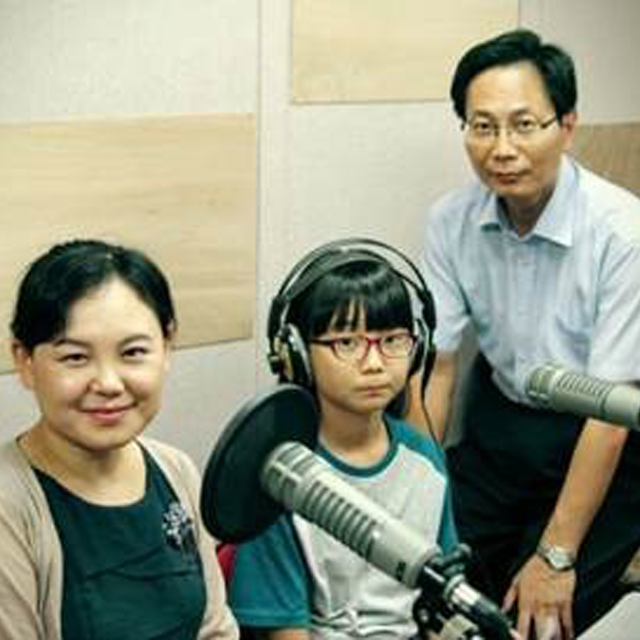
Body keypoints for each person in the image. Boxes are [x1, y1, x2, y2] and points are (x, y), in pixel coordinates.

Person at [417, 28, 640, 639]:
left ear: (566, 127)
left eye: (523, 125)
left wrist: (556, 555)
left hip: (603, 439)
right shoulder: (450, 221)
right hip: (500, 430)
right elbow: (438, 369)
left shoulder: (623, 234)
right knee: (441, 597)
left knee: (538, 620)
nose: (502, 149)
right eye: (482, 127)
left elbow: (610, 411)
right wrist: (418, 494)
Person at [0, 239, 239, 639]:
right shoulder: (10, 508)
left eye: (132, 352)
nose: (109, 383)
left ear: (167, 346)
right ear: (24, 360)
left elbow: (215, 628)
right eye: (75, 357)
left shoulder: (176, 469)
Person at [228, 239, 458, 639]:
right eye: (347, 343)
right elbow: (286, 633)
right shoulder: (279, 475)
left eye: (393, 340)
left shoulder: (424, 458)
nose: (374, 363)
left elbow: (443, 600)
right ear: (296, 353)